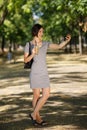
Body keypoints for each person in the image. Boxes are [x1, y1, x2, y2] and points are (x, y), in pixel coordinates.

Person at [24, 23, 71, 126]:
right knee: (36, 95)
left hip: (44, 72)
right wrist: (33, 53)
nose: (42, 33)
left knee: (46, 94)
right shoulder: (29, 44)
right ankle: (38, 119)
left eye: (42, 31)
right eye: (40, 31)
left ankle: (33, 114)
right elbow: (25, 60)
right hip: (35, 73)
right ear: (35, 32)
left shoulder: (45, 43)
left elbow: (59, 46)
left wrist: (66, 40)